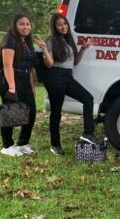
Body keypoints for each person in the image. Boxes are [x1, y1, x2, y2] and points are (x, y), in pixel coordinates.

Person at [35, 13, 98, 155]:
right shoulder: (51, 41)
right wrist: (44, 49)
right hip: (55, 77)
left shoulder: (68, 40)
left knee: (88, 99)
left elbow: (74, 62)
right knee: (56, 113)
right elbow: (49, 64)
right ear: (54, 27)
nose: (63, 27)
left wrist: (82, 49)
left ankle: (88, 133)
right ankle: (55, 145)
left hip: (68, 77)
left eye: (65, 24)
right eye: (59, 25)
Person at [0, 13, 36, 157]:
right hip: (10, 79)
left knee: (31, 112)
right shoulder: (10, 40)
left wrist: (31, 86)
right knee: (10, 111)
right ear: (15, 25)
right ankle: (7, 145)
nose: (25, 27)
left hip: (24, 79)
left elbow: (30, 67)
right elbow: (7, 65)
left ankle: (23, 143)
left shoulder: (27, 42)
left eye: (28, 24)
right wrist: (12, 87)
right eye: (22, 24)